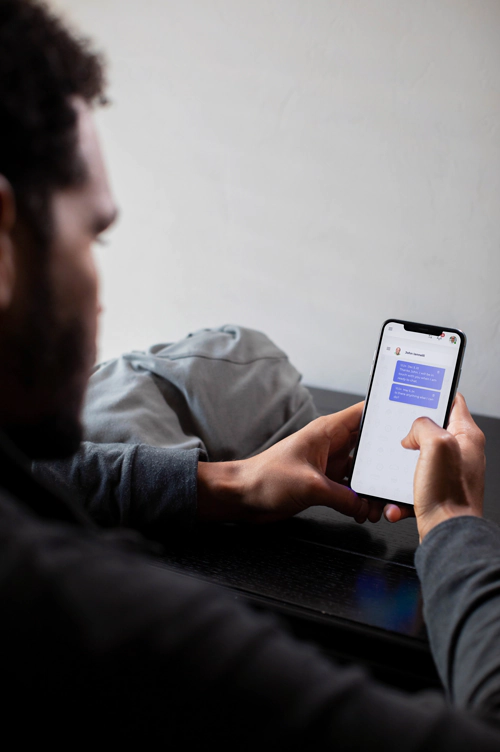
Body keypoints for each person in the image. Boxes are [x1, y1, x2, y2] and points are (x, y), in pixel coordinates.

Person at [0, 1, 499, 747]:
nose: (99, 289)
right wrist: (456, 528)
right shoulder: (95, 622)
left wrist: (232, 484)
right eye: (91, 236)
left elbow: (59, 474)